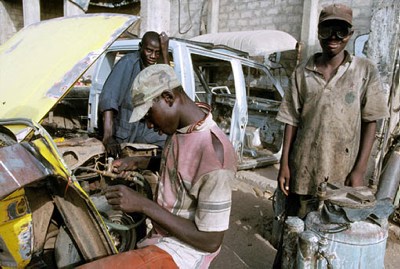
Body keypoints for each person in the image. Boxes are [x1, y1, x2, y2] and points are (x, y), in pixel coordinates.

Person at [79, 64, 237, 268]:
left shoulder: (215, 156)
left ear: (168, 97)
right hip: (161, 237)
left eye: (148, 116)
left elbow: (211, 240)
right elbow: (182, 166)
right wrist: (139, 162)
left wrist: (143, 205)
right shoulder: (182, 128)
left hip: (181, 252)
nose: (150, 125)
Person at [276, 3, 389, 218]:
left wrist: (359, 170)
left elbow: (370, 121)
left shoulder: (364, 71)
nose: (333, 37)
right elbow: (290, 120)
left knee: (332, 233)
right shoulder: (302, 73)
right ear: (318, 33)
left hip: (341, 172)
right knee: (296, 230)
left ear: (350, 34)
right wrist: (284, 165)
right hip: (303, 170)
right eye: (327, 30)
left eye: (341, 31)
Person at [99, 31, 170, 157]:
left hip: (144, 129)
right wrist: (108, 136)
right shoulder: (127, 63)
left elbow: (171, 90)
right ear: (140, 47)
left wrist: (165, 54)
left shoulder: (155, 69)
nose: (153, 56)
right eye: (149, 50)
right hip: (124, 130)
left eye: (157, 52)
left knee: (174, 143)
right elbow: (109, 99)